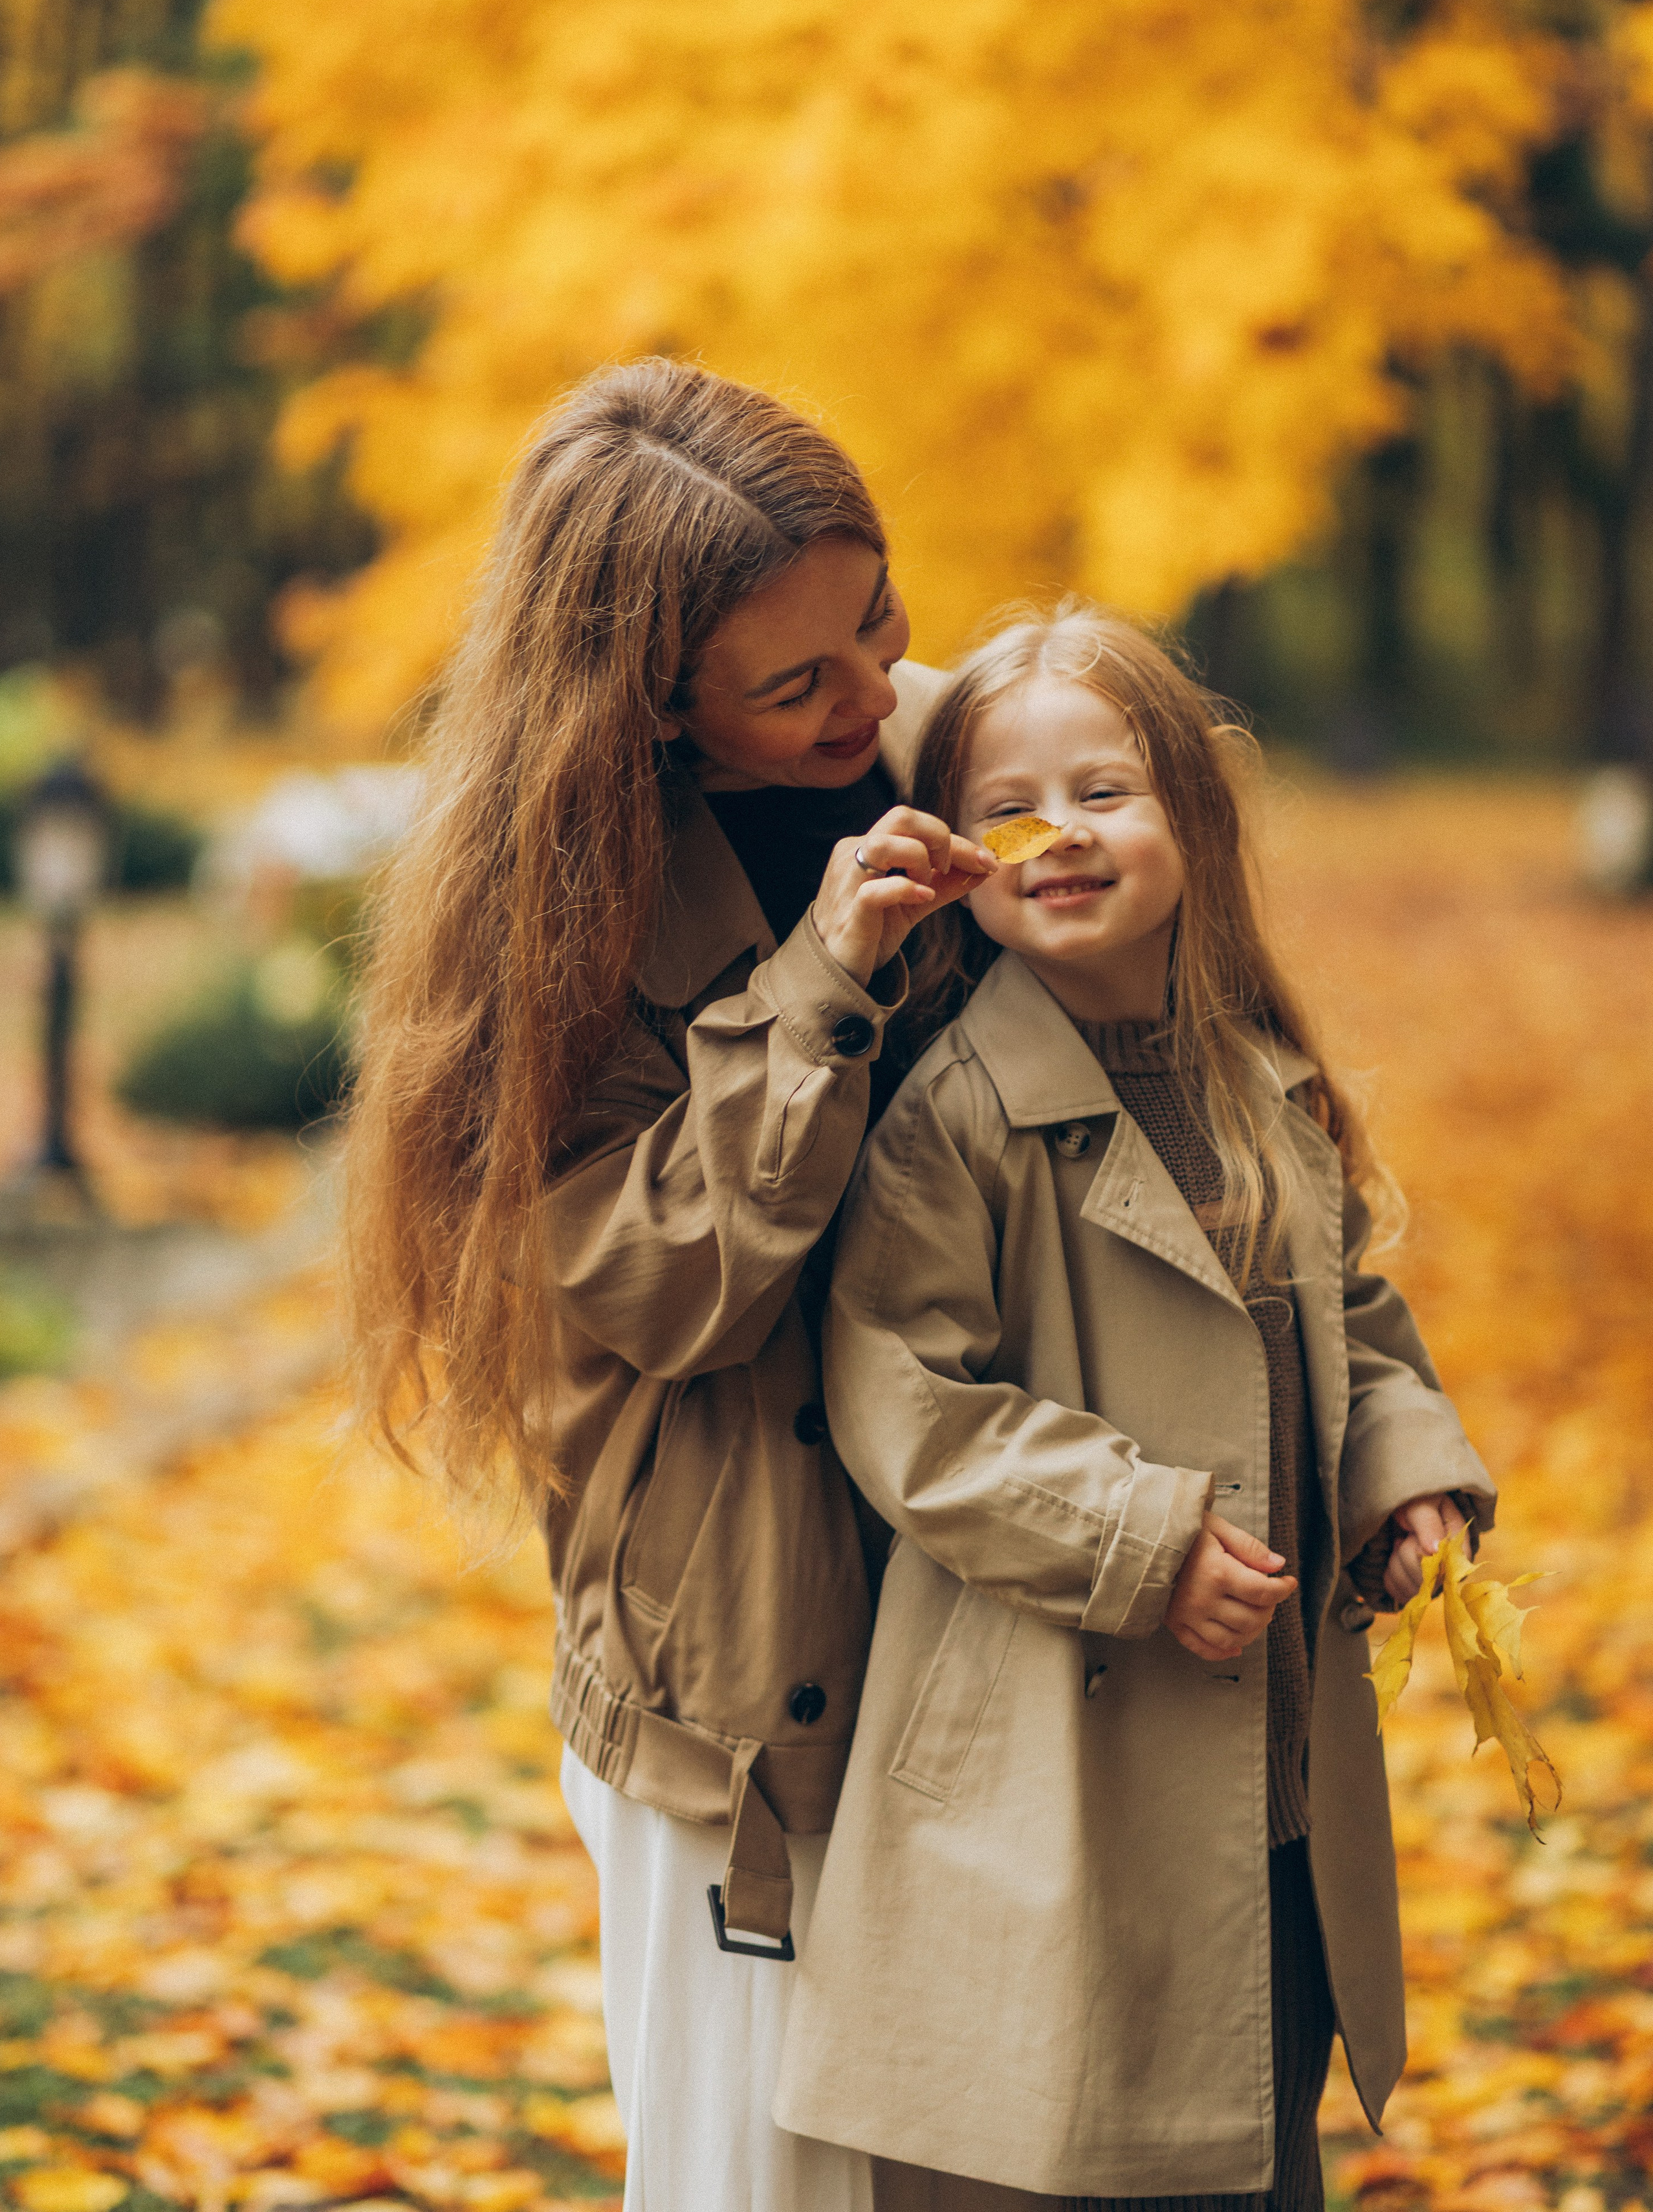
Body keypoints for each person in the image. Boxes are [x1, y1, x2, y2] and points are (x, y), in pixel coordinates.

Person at [340, 358, 988, 2212]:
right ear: (653, 709)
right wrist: (821, 988)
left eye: (878, 620)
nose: (872, 700)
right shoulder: (551, 915)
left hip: (978, 1598)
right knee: (760, 2171)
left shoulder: (947, 746)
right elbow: (666, 1284)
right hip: (739, 1672)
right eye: (799, 685)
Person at [774, 605, 1496, 2211]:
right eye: (1010, 809)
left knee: (1247, 2098)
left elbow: (1339, 1317)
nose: (1062, 836)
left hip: (1266, 1763)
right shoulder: (953, 1115)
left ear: (1194, 811)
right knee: (1069, 2125)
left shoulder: (1255, 1080)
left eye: (1103, 791)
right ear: (954, 855)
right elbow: (905, 1399)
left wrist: (1401, 1478)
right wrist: (1137, 1536)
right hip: (1058, 1753)